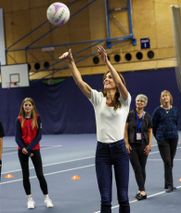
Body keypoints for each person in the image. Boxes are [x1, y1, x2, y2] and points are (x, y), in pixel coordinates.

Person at [59, 46, 131, 213]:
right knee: (105, 199)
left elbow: (119, 82)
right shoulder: (98, 98)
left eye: (109, 77)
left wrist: (106, 62)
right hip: (102, 152)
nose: (106, 79)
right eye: (105, 77)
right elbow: (80, 82)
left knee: (123, 197)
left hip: (120, 150)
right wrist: (71, 62)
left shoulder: (126, 100)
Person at [15, 97, 54, 209]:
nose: (27, 107)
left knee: (40, 174)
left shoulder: (38, 118)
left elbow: (39, 136)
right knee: (25, 175)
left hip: (34, 149)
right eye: (25, 105)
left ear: (32, 106)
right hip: (22, 151)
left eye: (29, 105)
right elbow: (17, 137)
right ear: (23, 106)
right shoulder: (19, 119)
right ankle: (30, 199)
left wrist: (29, 148)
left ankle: (47, 198)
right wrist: (23, 148)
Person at [124, 94, 153, 200]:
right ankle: (142, 191)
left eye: (141, 101)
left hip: (143, 146)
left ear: (145, 103)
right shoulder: (130, 115)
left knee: (142, 168)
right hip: (132, 146)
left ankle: (141, 189)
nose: (139, 102)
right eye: (137, 100)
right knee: (137, 168)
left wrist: (150, 144)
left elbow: (150, 131)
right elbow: (125, 129)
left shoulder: (148, 116)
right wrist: (126, 143)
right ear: (135, 102)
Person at [152, 90, 179, 193]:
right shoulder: (157, 111)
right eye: (163, 96)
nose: (165, 97)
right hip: (162, 139)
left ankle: (166, 183)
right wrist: (158, 137)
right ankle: (170, 185)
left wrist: (174, 132)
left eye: (166, 95)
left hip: (174, 138)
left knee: (170, 161)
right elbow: (153, 125)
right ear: (161, 98)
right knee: (167, 161)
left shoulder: (175, 110)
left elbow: (176, 122)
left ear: (170, 97)